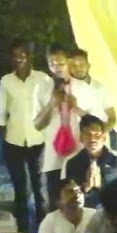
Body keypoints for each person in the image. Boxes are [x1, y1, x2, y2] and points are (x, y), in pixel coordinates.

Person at [0, 40, 53, 233]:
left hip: (39, 140)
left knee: (40, 188)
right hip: (14, 140)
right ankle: (23, 230)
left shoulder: (43, 79)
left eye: (22, 55)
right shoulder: (6, 81)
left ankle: (43, 232)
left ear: (30, 56)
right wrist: (4, 138)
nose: (19, 59)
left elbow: (49, 109)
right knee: (20, 188)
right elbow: (2, 112)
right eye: (15, 55)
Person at [35, 44, 79, 213]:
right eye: (51, 64)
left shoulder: (81, 85)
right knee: (55, 206)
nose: (56, 68)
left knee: (80, 204)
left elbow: (93, 121)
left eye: (60, 63)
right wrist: (51, 105)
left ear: (69, 61)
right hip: (54, 156)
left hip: (78, 153)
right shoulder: (43, 87)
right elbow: (38, 124)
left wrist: (76, 107)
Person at [63, 114, 117, 209]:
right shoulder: (73, 164)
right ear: (81, 138)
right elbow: (70, 198)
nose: (92, 139)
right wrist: (86, 187)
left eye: (97, 135)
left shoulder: (115, 162)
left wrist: (101, 186)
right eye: (88, 134)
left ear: (104, 137)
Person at [67, 48, 117, 133]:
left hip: (102, 132)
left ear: (88, 65)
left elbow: (112, 117)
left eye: (81, 64)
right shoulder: (68, 88)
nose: (78, 68)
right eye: (74, 65)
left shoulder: (100, 86)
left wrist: (103, 132)